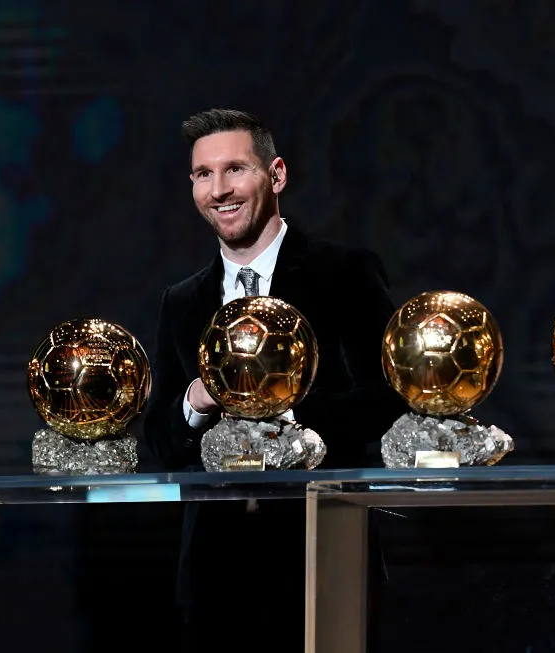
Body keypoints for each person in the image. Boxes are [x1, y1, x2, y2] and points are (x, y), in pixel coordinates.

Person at [142, 108, 407, 652]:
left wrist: (275, 411)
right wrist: (196, 400)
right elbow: (164, 441)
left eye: (235, 169)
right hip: (214, 578)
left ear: (277, 175)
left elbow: (388, 402)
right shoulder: (182, 302)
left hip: (324, 558)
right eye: (203, 174)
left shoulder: (345, 274)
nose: (219, 190)